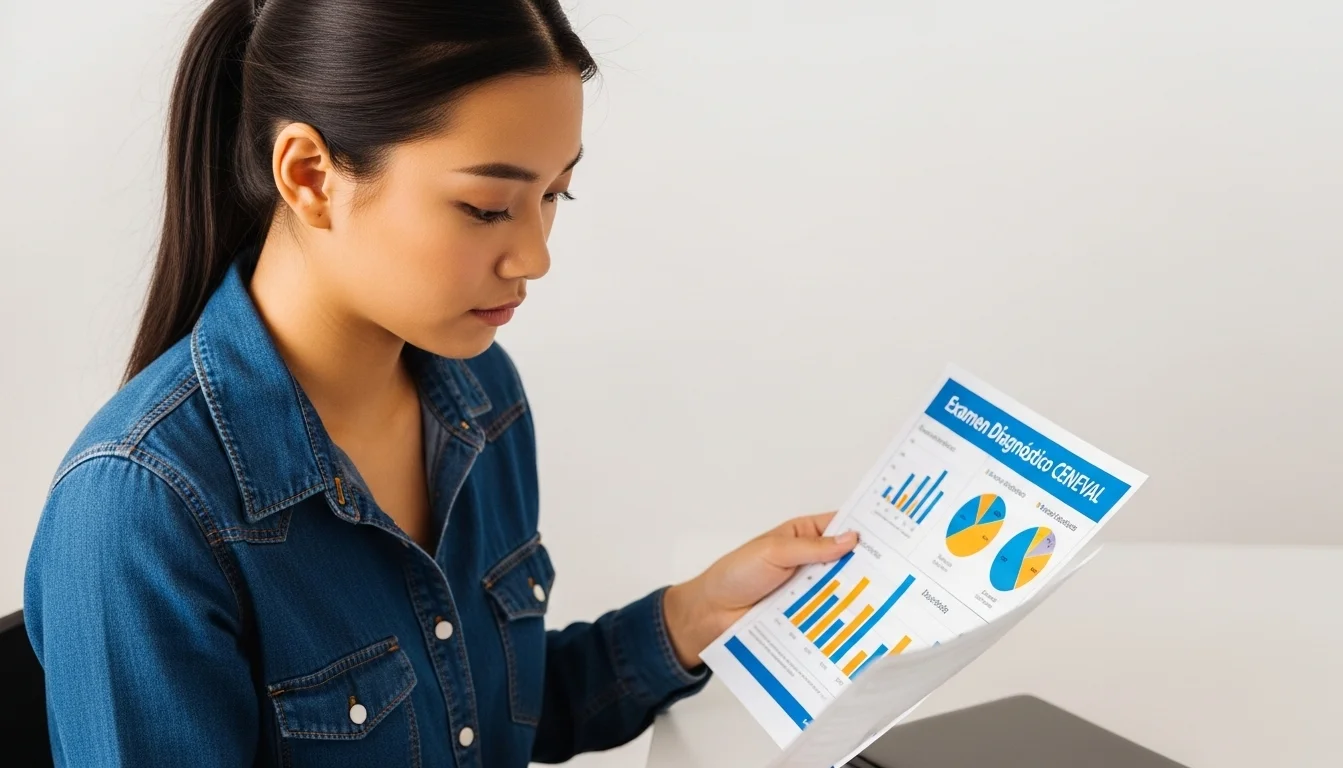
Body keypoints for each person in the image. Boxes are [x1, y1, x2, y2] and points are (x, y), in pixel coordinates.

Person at [21, 0, 860, 765]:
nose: (535, 256)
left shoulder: (480, 399)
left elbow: (481, 718)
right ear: (310, 175)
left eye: (556, 194)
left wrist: (691, 618)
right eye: (488, 208)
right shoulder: (138, 513)